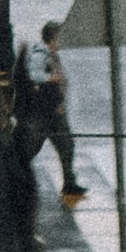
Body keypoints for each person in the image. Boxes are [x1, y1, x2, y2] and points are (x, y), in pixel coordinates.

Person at [31, 21, 86, 208]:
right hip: (46, 113)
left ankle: (69, 183)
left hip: (55, 112)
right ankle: (10, 179)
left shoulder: (53, 55)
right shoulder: (41, 55)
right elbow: (34, 75)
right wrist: (51, 78)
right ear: (52, 38)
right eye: (59, 37)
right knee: (32, 148)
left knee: (67, 146)